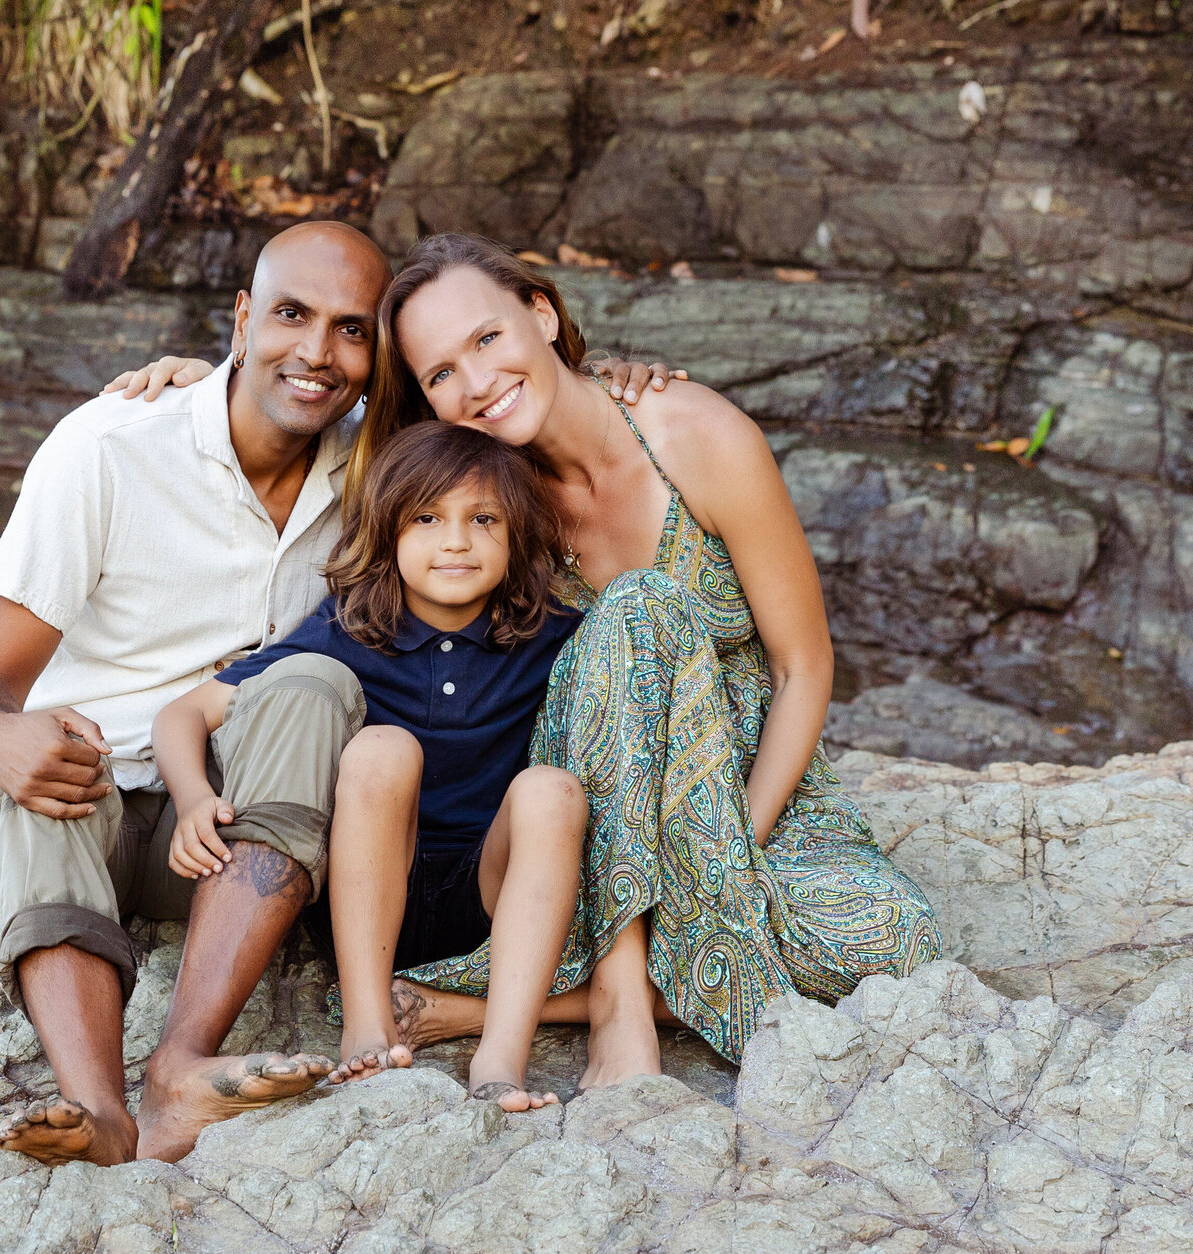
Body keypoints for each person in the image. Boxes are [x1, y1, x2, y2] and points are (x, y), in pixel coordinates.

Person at [127, 233, 942, 1090]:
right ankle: (620, 992)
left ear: (543, 313)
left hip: (735, 789)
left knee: (894, 938)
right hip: (585, 808)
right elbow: (316, 405)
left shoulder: (695, 435)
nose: (475, 383)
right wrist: (209, 380)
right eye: (441, 374)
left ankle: (480, 1012)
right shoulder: (485, 495)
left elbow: (804, 666)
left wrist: (726, 851)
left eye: (488, 339)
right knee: (640, 605)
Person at [0, 221, 390, 1167]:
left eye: (351, 329)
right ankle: (96, 1107)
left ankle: (182, 1067)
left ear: (378, 352)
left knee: (314, 683)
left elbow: (515, 397)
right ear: (240, 319)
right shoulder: (110, 446)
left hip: (225, 834)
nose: (316, 353)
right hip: (82, 813)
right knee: (56, 755)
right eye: (291, 316)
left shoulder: (380, 471)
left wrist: (627, 382)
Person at [153, 422, 587, 1112]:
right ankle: (367, 1026)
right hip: (366, 890)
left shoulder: (550, 632)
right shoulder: (351, 625)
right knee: (384, 749)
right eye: (426, 518)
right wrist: (195, 795)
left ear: (518, 536)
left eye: (483, 520)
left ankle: (500, 1058)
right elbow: (184, 714)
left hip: (490, 894)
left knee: (551, 791)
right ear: (387, 532)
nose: (456, 541)